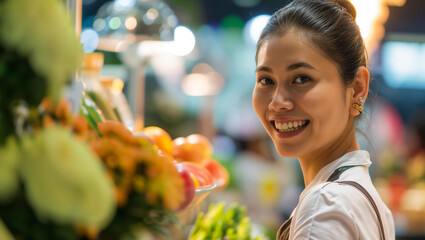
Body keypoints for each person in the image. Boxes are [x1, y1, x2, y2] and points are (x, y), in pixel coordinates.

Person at [252, 0, 395, 239]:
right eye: (266, 80)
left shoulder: (324, 205)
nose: (277, 102)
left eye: (301, 78)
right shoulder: (363, 198)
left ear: (357, 88)